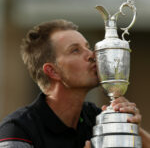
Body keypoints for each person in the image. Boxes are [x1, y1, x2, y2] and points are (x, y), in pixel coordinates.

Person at [0, 19, 150, 148]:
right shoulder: (17, 130)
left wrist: (130, 127)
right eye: (75, 51)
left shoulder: (97, 117)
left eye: (88, 47)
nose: (92, 55)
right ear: (53, 71)